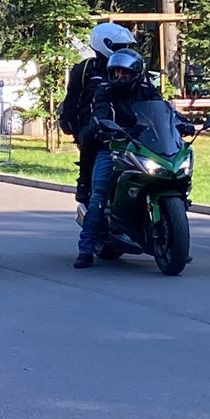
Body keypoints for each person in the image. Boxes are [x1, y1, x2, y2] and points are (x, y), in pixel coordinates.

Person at [75, 48, 163, 268]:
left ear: (135, 73)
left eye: (124, 73)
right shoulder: (104, 90)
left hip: (142, 147)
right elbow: (99, 112)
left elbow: (162, 111)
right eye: (116, 72)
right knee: (99, 196)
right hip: (112, 146)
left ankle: (173, 242)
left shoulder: (147, 89)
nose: (120, 77)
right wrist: (102, 125)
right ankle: (85, 249)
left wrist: (180, 123)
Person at [58, 23, 137, 220]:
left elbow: (150, 97)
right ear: (105, 44)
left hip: (128, 127)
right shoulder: (86, 69)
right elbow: (72, 99)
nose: (124, 50)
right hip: (94, 125)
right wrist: (71, 127)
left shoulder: (131, 67)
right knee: (90, 146)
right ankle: (84, 185)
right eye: (120, 46)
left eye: (126, 46)